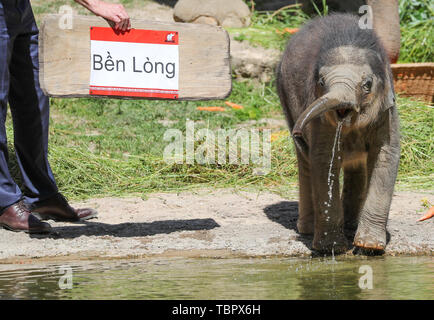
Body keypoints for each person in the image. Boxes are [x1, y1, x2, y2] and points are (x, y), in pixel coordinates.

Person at [0, 0, 130, 233]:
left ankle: (41, 194)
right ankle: (4, 201)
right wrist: (95, 4)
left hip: (20, 8)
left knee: (35, 97)